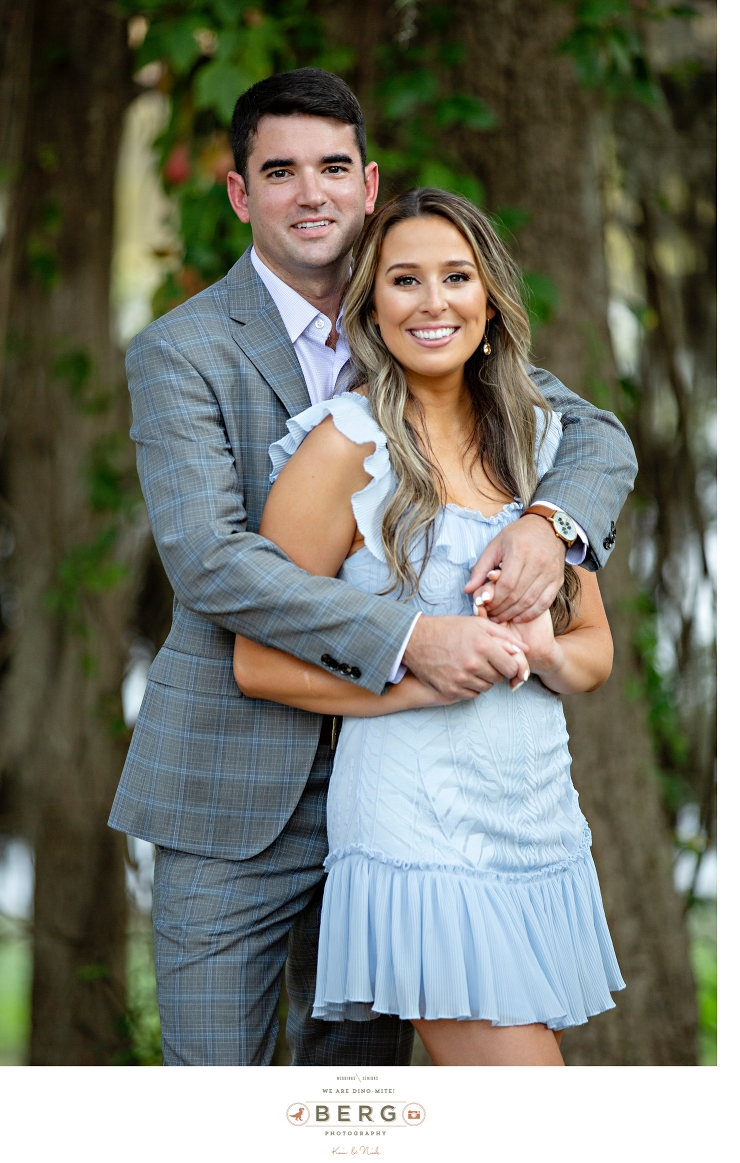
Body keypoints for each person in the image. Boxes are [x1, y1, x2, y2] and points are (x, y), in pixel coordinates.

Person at [108, 68, 636, 1067]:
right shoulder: (181, 352)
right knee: (220, 1093)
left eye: (334, 167)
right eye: (281, 171)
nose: (312, 192)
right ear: (239, 193)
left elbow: (592, 435)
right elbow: (213, 562)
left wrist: (548, 524)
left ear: (367, 180)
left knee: (363, 1104)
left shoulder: (416, 312)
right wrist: (413, 642)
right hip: (239, 777)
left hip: (408, 790)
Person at [233, 187, 625, 1066]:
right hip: (417, 831)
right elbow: (258, 662)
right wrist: (415, 678)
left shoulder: (542, 447)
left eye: (456, 277)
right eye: (405, 279)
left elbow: (594, 652)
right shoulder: (342, 447)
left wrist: (543, 651)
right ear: (372, 306)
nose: (433, 301)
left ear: (490, 302)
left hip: (536, 821)